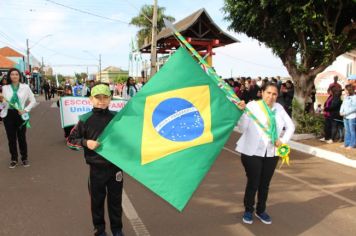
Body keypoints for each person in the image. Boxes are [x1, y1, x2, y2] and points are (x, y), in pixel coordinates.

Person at [67, 84, 124, 236]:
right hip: (96, 169)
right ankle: (99, 230)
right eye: (98, 98)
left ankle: (117, 229)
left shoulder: (117, 117)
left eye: (105, 97)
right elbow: (70, 140)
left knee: (116, 202)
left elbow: (128, 136)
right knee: (97, 202)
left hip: (115, 168)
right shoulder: (85, 119)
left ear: (110, 99)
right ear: (91, 99)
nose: (101, 101)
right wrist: (86, 143)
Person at [235, 82, 295, 225]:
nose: (271, 96)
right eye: (268, 93)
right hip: (252, 152)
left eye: (274, 94)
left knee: (265, 184)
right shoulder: (252, 106)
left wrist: (283, 140)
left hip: (271, 152)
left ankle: (261, 210)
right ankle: (249, 210)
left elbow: (291, 126)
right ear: (262, 92)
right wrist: (243, 113)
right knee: (254, 182)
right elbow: (243, 128)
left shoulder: (279, 108)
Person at [0, 68, 37, 168]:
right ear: (9, 76)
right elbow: (3, 105)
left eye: (16, 74)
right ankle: (14, 159)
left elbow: (33, 101)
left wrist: (25, 110)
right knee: (11, 138)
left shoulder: (25, 87)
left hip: (21, 115)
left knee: (21, 137)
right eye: (12, 74)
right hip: (8, 115)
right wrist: (2, 102)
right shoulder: (5, 88)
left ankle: (24, 158)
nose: (14, 76)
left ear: (20, 76)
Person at [340, 84, 356, 149]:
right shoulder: (346, 96)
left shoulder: (354, 97)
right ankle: (346, 143)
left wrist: (345, 113)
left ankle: (352, 145)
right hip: (345, 116)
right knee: (347, 131)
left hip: (352, 117)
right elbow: (343, 104)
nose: (345, 91)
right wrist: (341, 111)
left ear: (349, 90)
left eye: (346, 89)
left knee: (352, 131)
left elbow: (354, 108)